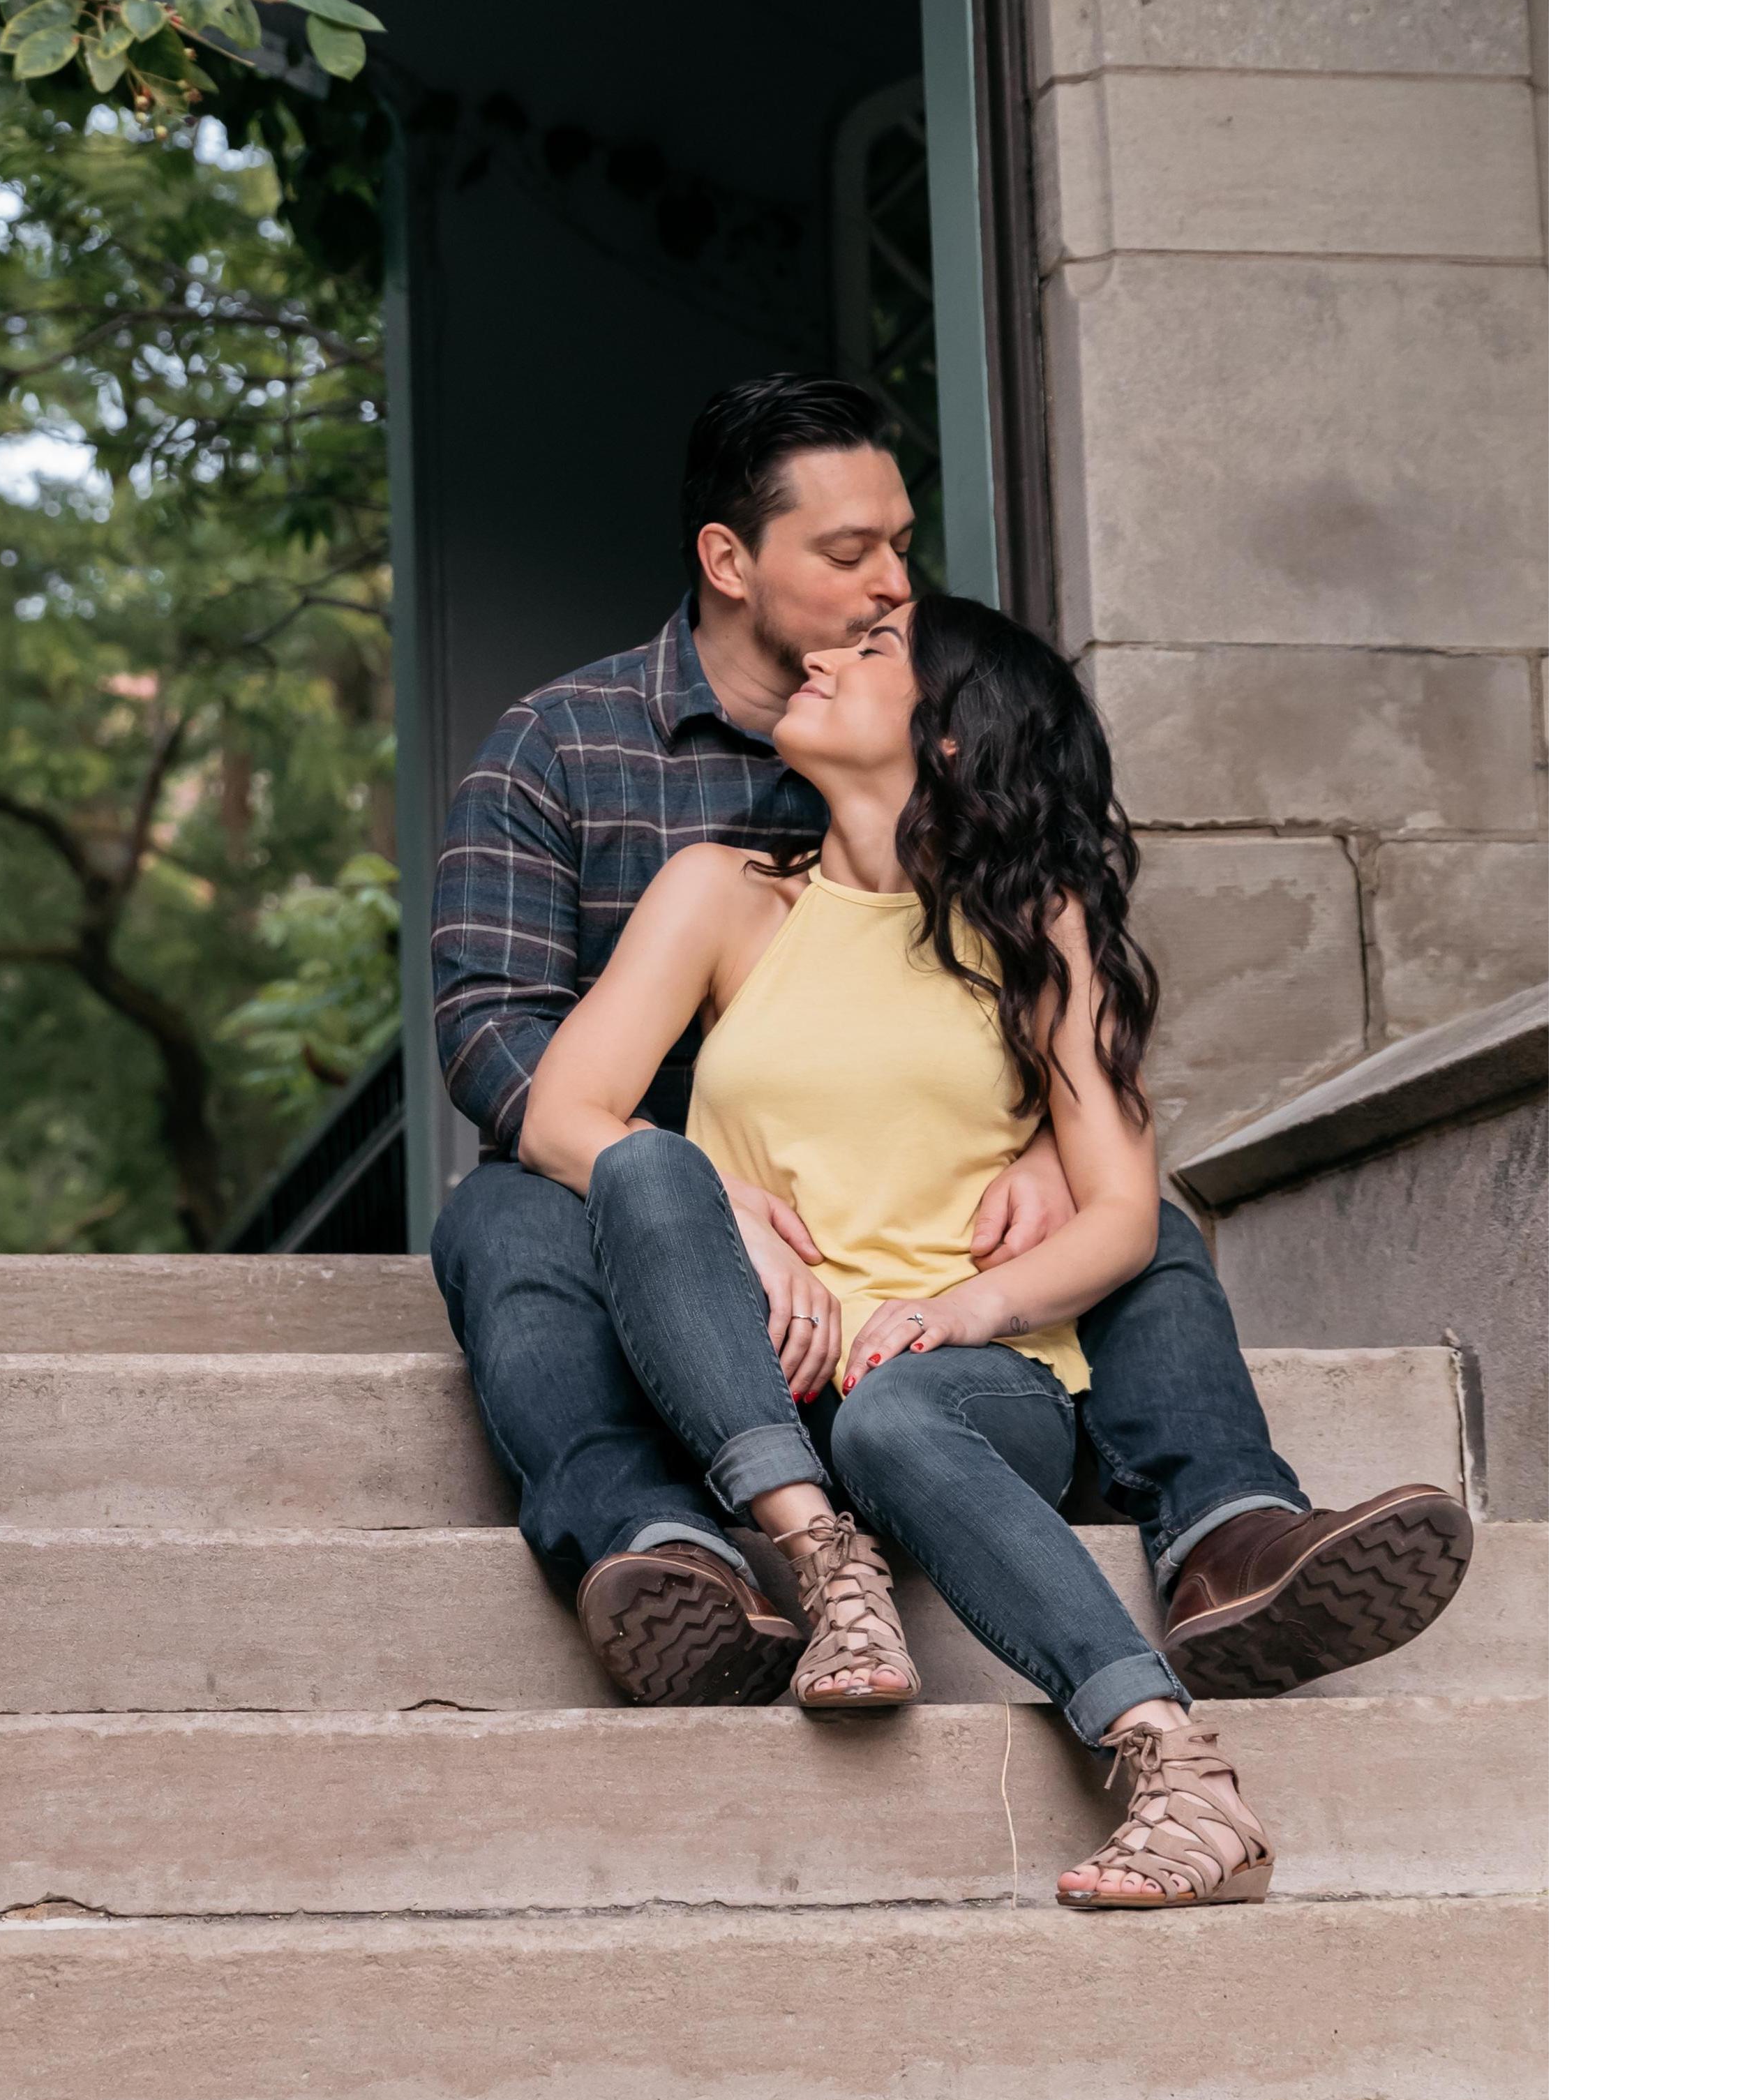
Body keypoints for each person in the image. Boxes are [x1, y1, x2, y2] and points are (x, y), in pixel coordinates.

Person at [427, 372, 1471, 1716]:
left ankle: (1226, 1531)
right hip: (665, 1214)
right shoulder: (571, 753)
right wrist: (693, 1189)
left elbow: (1035, 999)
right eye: (847, 555)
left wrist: (1042, 1139)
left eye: (899, 553)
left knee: (1137, 1224)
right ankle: (663, 1548)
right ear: (729, 561)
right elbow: (495, 1039)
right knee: (509, 1213)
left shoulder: (955, 779)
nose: (882, 590)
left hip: (913, 1259)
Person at [514, 591, 1301, 1905]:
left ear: (948, 734)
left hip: (963, 1387)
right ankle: (822, 1555)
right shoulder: (720, 896)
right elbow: (560, 1114)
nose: (817, 654)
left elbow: (1121, 1208)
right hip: (752, 1376)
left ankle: (1177, 1772)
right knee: (647, 1159)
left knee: (893, 1416)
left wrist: (970, 1306)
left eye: (872, 649)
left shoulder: (1036, 925)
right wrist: (731, 1218)